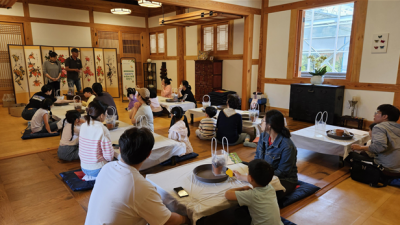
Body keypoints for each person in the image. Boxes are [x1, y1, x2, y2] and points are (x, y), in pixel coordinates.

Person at [85, 127, 190, 225]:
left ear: (120, 149)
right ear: (148, 154)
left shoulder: (107, 167)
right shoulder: (139, 187)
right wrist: (187, 218)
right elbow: (167, 221)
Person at [254, 110, 298, 199]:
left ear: (269, 125)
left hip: (285, 179)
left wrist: (261, 176)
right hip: (265, 174)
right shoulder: (263, 136)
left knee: (265, 194)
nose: (261, 123)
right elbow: (257, 157)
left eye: (263, 121)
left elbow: (282, 172)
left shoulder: (287, 146)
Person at [350, 104, 400, 173]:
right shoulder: (398, 127)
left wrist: (360, 147)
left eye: (377, 113)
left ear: (385, 116)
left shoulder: (379, 127)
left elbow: (379, 147)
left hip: (386, 167)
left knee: (350, 155)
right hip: (398, 167)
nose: (374, 115)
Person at [79, 100, 114, 180]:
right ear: (101, 115)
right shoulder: (102, 129)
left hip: (84, 167)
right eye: (106, 113)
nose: (107, 115)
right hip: (97, 169)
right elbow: (109, 157)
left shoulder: (83, 125)